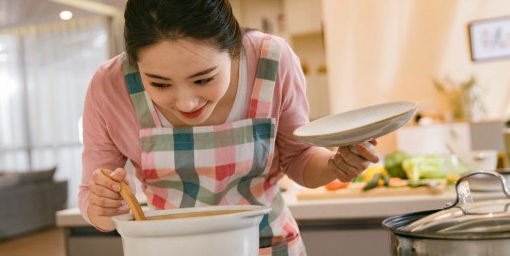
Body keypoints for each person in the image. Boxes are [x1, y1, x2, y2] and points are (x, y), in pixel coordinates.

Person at [79, 0, 379, 255]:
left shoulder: (271, 61)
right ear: (133, 63)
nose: (186, 103)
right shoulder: (110, 87)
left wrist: (336, 165)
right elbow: (94, 204)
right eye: (159, 84)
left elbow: (299, 159)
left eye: (203, 79)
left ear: (234, 49)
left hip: (264, 245)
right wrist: (104, 205)